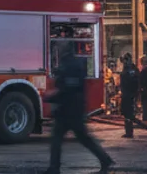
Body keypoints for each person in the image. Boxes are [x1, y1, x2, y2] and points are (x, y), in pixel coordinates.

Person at [45, 40, 114, 174]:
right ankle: (105, 159)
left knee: (57, 140)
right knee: (83, 139)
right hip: (75, 109)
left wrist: (50, 97)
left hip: (67, 110)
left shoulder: (66, 66)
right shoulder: (77, 64)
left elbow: (65, 89)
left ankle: (54, 168)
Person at [119, 52, 140, 137]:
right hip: (127, 93)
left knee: (128, 112)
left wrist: (133, 93)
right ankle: (128, 131)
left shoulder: (131, 69)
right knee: (126, 112)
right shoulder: (130, 68)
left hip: (129, 93)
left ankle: (129, 132)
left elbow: (133, 81)